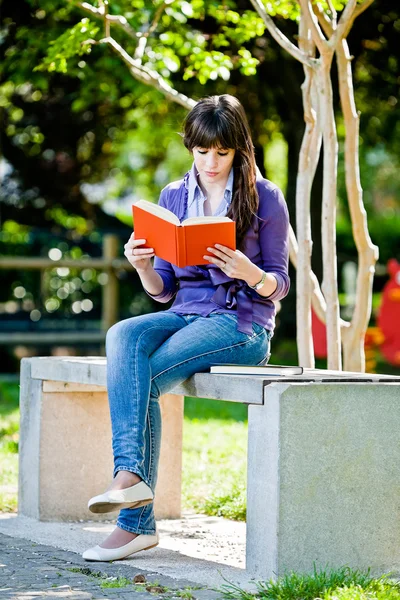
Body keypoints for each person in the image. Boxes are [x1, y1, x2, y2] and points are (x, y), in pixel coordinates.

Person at [82, 94, 290, 562]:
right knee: (122, 334)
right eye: (201, 151)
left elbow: (279, 285)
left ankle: (131, 508)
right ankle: (132, 489)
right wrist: (142, 266)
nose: (211, 162)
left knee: (146, 376)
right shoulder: (173, 197)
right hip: (186, 314)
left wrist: (247, 271)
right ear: (190, 147)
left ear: (239, 149)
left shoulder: (264, 197)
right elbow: (164, 289)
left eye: (222, 152)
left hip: (242, 324)